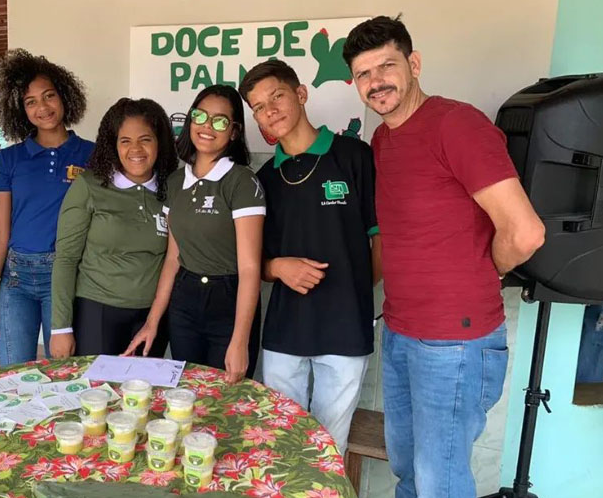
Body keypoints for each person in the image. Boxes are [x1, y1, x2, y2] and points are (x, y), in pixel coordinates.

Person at [342, 16, 545, 498]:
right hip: (403, 333)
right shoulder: (384, 138)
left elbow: (525, 233)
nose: (377, 81)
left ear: (414, 63)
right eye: (364, 74)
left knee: (441, 492)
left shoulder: (458, 125)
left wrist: (477, 275)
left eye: (387, 65)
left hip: (454, 346)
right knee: (411, 477)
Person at [239, 59, 381, 455]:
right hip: (286, 328)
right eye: (258, 107)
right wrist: (278, 267)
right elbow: (254, 262)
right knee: (280, 435)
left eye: (277, 96)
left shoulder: (354, 156)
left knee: (328, 443)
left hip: (345, 327)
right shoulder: (264, 179)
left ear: (301, 94)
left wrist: (354, 289)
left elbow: (379, 237)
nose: (270, 111)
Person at [126, 85, 265, 384]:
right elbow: (173, 259)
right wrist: (152, 322)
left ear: (235, 132)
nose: (207, 127)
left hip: (228, 300)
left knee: (226, 398)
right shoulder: (176, 182)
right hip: (184, 301)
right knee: (187, 393)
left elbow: (250, 267)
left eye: (220, 121)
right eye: (200, 116)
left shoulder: (242, 181)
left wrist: (240, 341)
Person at [0, 50, 93, 366]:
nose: (42, 107)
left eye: (49, 96)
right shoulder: (8, 160)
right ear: (20, 109)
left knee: (63, 370)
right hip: (15, 279)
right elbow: (1, 232)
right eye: (31, 102)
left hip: (65, 275)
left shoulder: (92, 155)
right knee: (13, 374)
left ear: (65, 97)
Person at [50, 98, 178, 358]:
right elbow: (66, 259)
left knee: (144, 395)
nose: (136, 149)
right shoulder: (90, 185)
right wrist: (60, 328)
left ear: (160, 143)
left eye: (145, 139)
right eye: (125, 141)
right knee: (99, 394)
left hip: (152, 317)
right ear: (113, 144)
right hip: (97, 312)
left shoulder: (173, 190)